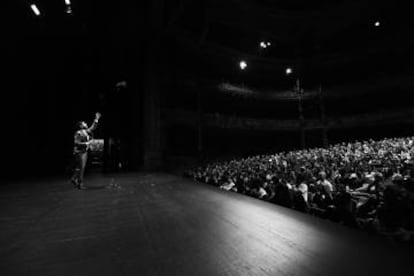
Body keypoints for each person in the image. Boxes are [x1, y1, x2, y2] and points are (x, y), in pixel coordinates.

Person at [71, 112, 102, 189]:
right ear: (81, 126)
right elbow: (76, 143)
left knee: (79, 167)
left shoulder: (86, 131)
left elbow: (93, 127)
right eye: (84, 123)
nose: (86, 123)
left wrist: (96, 119)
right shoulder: (78, 133)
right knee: (82, 167)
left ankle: (74, 178)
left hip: (84, 151)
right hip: (79, 152)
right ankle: (80, 183)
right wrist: (87, 143)